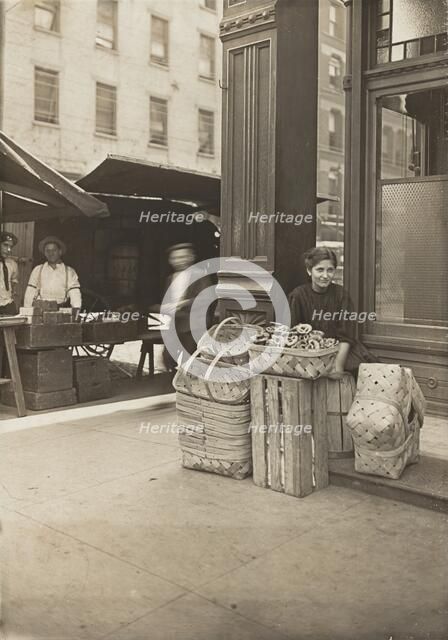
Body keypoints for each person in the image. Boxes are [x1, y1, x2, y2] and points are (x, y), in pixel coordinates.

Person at [287, 246, 378, 378]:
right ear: (309, 271)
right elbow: (292, 334)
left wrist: (338, 366)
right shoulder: (298, 296)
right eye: (319, 270)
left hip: (340, 350)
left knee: (361, 370)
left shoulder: (341, 295)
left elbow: (346, 336)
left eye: (330, 270)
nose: (325, 275)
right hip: (309, 353)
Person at [157, 243, 215, 371]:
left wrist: (183, 304)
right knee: (168, 358)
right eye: (175, 258)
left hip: (193, 325)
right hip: (175, 325)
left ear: (191, 257)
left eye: (183, 257)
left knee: (190, 359)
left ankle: (190, 385)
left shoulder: (199, 274)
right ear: (170, 260)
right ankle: (172, 383)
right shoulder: (170, 278)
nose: (179, 261)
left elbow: (207, 297)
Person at [24, 236, 82, 311]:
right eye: (48, 251)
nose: (51, 253)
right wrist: (27, 313)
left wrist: (76, 312)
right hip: (41, 310)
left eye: (54, 250)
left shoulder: (69, 272)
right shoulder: (38, 270)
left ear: (60, 252)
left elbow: (75, 294)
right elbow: (30, 293)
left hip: (60, 310)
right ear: (44, 253)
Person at [0, 231, 19, 315]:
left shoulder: (12, 264)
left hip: (8, 305)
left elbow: (13, 281)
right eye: (5, 245)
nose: (9, 250)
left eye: (11, 247)